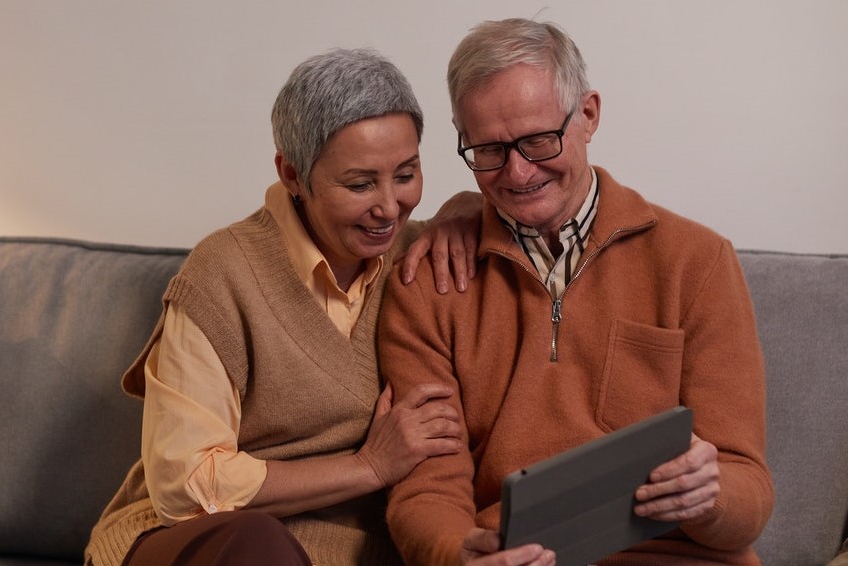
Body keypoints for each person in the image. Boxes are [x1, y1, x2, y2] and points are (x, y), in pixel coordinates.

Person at [379, 18, 774, 566]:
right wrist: (455, 552)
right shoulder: (428, 282)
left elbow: (748, 488)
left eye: (539, 141)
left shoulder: (697, 261)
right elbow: (427, 486)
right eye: (489, 149)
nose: (518, 173)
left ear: (588, 115)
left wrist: (711, 495)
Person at [85, 47, 482, 566]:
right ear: (292, 174)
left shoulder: (424, 258)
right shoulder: (221, 273)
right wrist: (369, 467)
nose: (389, 206)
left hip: (347, 552)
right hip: (207, 543)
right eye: (360, 184)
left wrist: (474, 210)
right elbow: (185, 485)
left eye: (406, 175)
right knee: (256, 544)